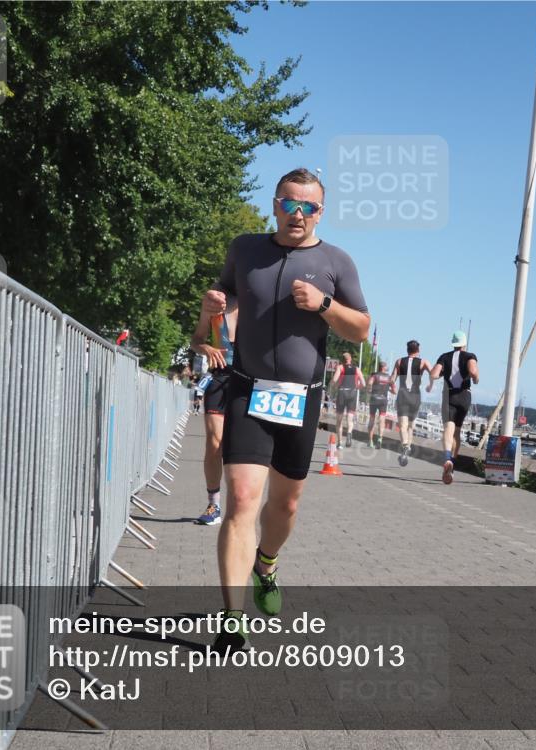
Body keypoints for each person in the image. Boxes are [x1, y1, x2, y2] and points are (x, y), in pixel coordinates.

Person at [202, 167, 369, 652]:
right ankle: (232, 621)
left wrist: (322, 306)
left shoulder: (337, 262)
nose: (297, 214)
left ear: (321, 212)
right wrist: (214, 309)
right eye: (288, 204)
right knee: (241, 501)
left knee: (286, 503)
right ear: (274, 204)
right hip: (248, 389)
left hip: (302, 395)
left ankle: (267, 562)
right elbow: (223, 299)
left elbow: (360, 327)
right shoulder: (245, 249)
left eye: (308, 206)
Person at [190, 308, 238, 526]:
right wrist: (207, 348)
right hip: (219, 378)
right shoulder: (215, 304)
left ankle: (241, 503)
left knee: (240, 448)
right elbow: (196, 340)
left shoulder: (261, 296)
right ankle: (214, 504)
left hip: (251, 383)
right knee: (214, 442)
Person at [429, 331, 479, 485]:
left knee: (448, 430)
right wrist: (476, 378)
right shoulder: (470, 356)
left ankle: (447, 458)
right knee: (457, 432)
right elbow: (472, 371)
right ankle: (453, 464)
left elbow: (434, 374)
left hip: (449, 395)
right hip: (464, 396)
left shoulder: (444, 357)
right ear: (464, 343)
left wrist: (441, 374)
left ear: (453, 343)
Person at [390, 340, 433, 467]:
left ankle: (405, 446)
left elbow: (392, 378)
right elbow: (433, 373)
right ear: (418, 351)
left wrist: (392, 386)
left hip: (403, 394)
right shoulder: (423, 362)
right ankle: (407, 447)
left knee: (402, 426)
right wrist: (430, 385)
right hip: (415, 396)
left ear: (407, 350)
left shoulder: (399, 361)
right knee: (410, 426)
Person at [331, 351, 364, 448]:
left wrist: (334, 386)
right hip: (352, 393)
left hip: (342, 392)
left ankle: (340, 442)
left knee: (339, 420)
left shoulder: (340, 367)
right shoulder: (357, 369)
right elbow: (364, 383)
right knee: (350, 419)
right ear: (350, 359)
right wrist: (358, 387)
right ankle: (349, 433)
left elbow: (334, 380)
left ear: (343, 360)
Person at [364, 360, 391, 449]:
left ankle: (370, 441)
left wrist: (369, 390)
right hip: (383, 400)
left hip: (374, 399)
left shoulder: (375, 375)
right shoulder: (388, 377)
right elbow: (394, 390)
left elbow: (369, 383)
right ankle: (380, 439)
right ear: (384, 368)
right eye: (386, 367)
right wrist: (389, 390)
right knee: (382, 419)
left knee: (372, 419)